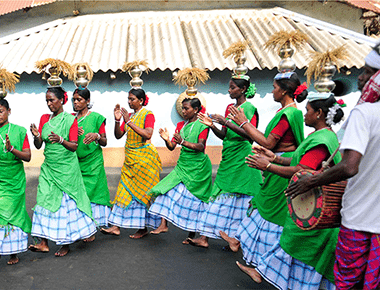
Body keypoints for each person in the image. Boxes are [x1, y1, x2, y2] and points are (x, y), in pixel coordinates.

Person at [286, 30, 380, 290]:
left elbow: (350, 166)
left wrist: (311, 181)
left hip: (359, 221)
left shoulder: (365, 113)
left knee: (348, 283)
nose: (360, 78)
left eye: (367, 71)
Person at [238, 92, 344, 289]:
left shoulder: (322, 140)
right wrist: (274, 158)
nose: (304, 115)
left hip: (316, 210)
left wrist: (267, 167)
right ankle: (263, 271)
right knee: (291, 241)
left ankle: (263, 271)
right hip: (309, 204)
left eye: (308, 111)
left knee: (297, 244)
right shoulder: (320, 136)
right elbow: (299, 161)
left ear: (319, 113)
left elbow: (300, 171)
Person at [227, 71, 306, 266]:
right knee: (261, 204)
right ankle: (240, 242)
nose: (272, 91)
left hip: (281, 165)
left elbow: (269, 142)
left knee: (270, 210)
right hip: (276, 160)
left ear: (285, 91)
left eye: (274, 88)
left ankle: (269, 261)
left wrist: (244, 123)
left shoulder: (289, 113)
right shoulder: (284, 112)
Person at [188, 75, 262, 249]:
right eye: (229, 87)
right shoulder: (230, 107)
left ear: (243, 89)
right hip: (228, 156)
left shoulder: (249, 107)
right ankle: (209, 237)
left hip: (241, 156)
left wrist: (226, 123)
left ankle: (226, 238)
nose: (229, 90)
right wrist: (212, 125)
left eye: (233, 87)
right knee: (222, 197)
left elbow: (250, 135)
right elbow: (224, 135)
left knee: (234, 198)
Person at [29, 86, 97, 257]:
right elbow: (39, 145)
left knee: (65, 205)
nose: (49, 104)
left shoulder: (70, 119)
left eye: (52, 100)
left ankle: (66, 243)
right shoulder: (45, 118)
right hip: (49, 166)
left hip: (67, 169)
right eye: (47, 101)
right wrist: (36, 136)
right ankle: (44, 243)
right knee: (43, 199)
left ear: (61, 100)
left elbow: (74, 146)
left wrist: (61, 140)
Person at [100, 88, 162, 239]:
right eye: (128, 98)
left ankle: (143, 228)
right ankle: (115, 226)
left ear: (141, 100)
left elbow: (148, 134)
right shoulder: (131, 116)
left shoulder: (148, 114)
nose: (129, 102)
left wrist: (128, 121)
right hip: (130, 160)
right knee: (123, 192)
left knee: (143, 195)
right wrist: (117, 120)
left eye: (132, 99)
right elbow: (118, 135)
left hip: (145, 161)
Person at [148, 98, 212, 243]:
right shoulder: (180, 126)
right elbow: (172, 146)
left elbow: (201, 147)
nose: (183, 111)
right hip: (183, 165)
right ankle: (163, 224)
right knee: (165, 189)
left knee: (196, 201)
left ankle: (194, 235)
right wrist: (166, 139)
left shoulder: (203, 124)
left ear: (196, 110)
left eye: (186, 109)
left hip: (198, 167)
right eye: (182, 108)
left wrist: (183, 142)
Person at [0, 98, 32, 265]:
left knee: (13, 216)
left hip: (14, 180)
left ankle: (13, 253)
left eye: (0, 111)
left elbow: (28, 156)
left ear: (9, 111)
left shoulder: (19, 131)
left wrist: (11, 149)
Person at [71, 87, 110, 243]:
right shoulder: (70, 119)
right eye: (74, 99)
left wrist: (96, 136)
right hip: (75, 162)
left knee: (93, 194)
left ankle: (92, 228)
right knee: (78, 196)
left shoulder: (96, 118)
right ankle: (84, 227)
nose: (75, 102)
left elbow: (105, 141)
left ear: (87, 101)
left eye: (79, 99)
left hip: (93, 162)